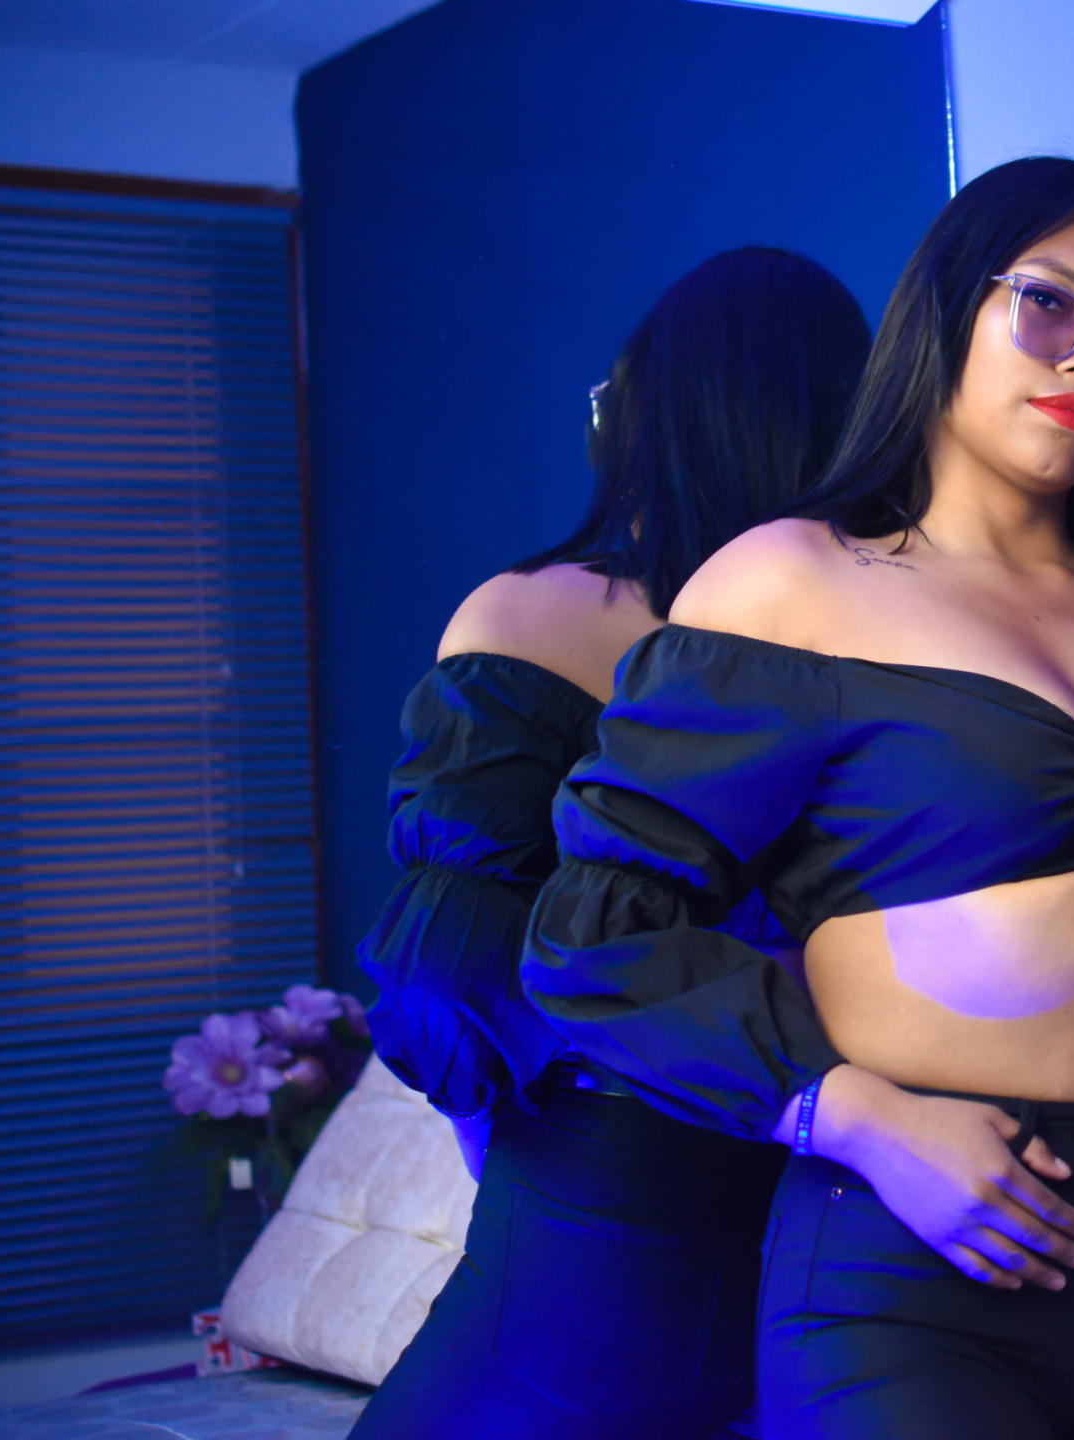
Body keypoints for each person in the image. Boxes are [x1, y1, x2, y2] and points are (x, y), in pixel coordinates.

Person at [524, 158, 1074, 1440]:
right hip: (916, 1252)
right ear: (943, 309)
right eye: (1050, 303)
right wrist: (860, 1120)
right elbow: (598, 934)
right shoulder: (793, 582)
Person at [349, 246, 871, 1439]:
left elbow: (448, 975)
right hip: (853, 1228)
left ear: (659, 413)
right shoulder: (899, 643)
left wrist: (506, 1154)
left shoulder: (537, 615)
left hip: (606, 1218)